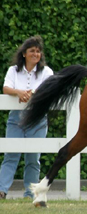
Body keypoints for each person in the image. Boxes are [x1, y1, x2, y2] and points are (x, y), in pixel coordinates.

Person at [0, 35, 53, 199]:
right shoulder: (13, 70)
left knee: (33, 158)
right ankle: (2, 190)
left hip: (37, 119)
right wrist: (19, 92)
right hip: (16, 118)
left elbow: (50, 89)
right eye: (32, 51)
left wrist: (33, 94)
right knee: (11, 156)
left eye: (38, 51)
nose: (35, 54)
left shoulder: (46, 71)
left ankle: (30, 194)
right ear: (24, 53)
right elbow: (6, 88)